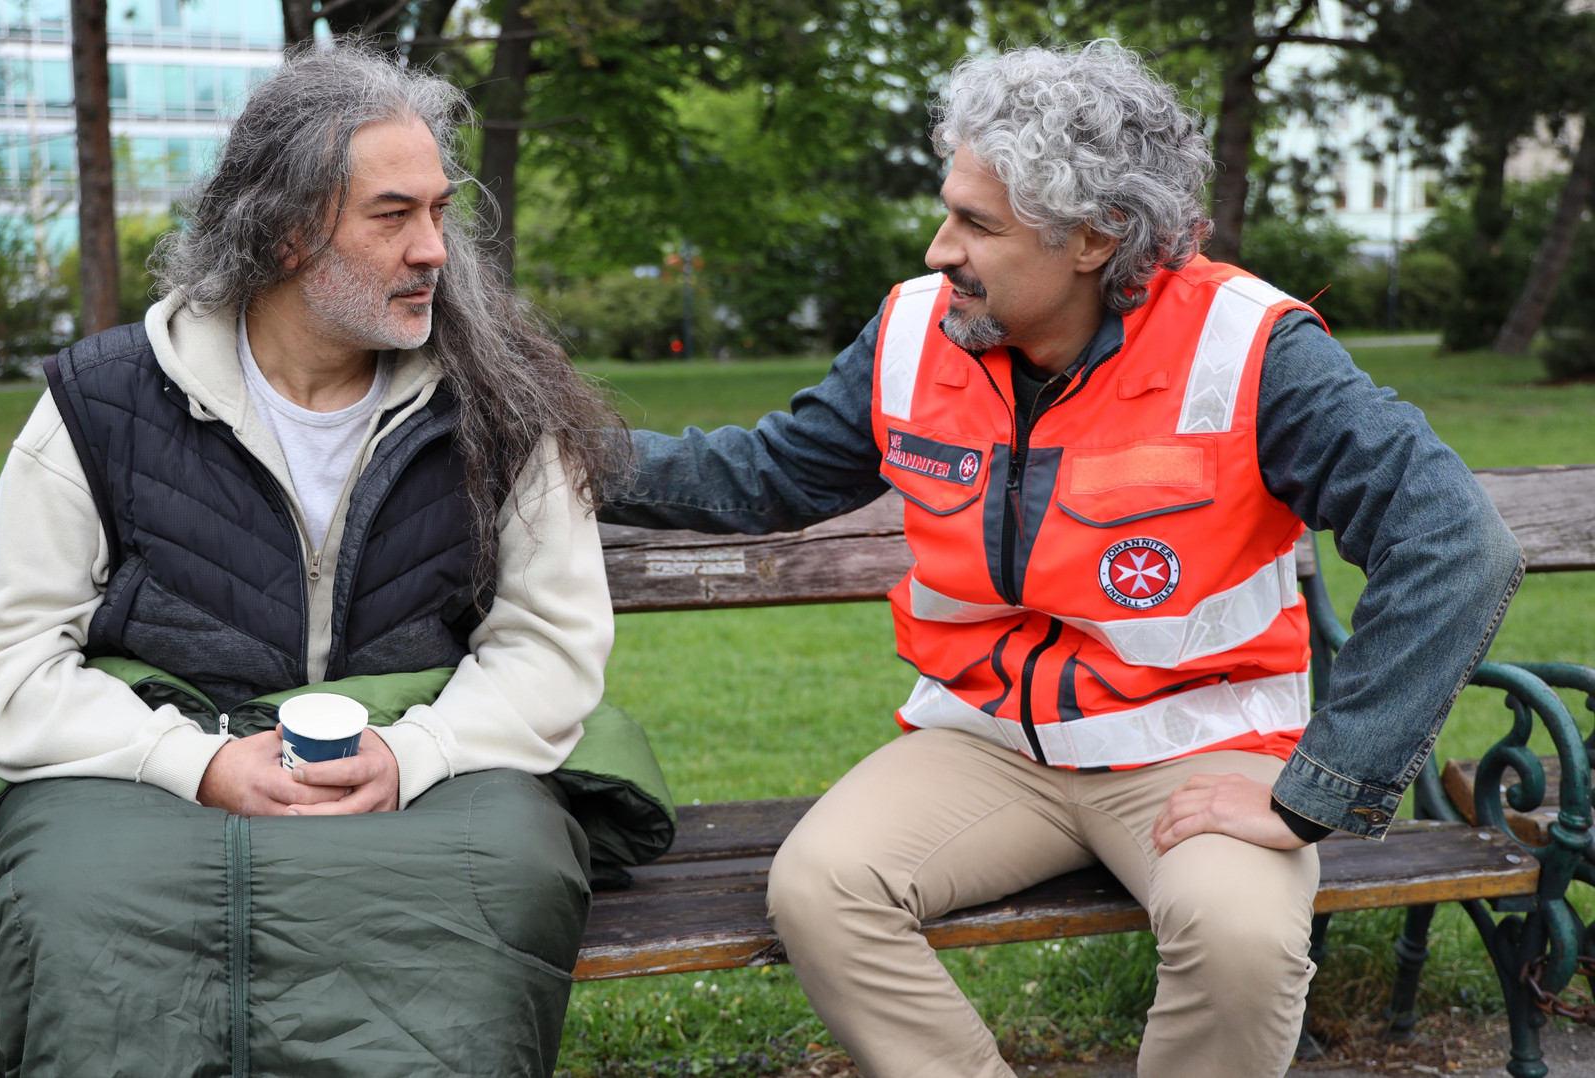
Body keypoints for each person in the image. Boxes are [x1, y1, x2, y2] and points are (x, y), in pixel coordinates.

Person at [599, 42, 1524, 1078]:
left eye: (978, 225)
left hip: (1198, 741)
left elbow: (1454, 540)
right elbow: (765, 474)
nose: (940, 248)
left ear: (1094, 237)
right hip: (986, 742)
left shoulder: (1251, 348)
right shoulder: (915, 329)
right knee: (822, 887)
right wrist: (549, 439)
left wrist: (1318, 787)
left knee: (1242, 941)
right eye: (949, 209)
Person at [0, 42, 627, 1078]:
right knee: (75, 895)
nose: (436, 248)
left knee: (510, 872)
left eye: (440, 211)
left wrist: (415, 755)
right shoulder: (108, 399)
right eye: (394, 216)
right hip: (149, 777)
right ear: (290, 230)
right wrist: (197, 762)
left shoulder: (502, 400)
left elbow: (551, 644)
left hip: (420, 774)